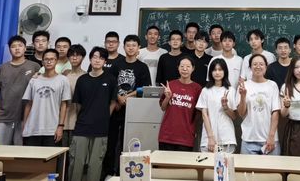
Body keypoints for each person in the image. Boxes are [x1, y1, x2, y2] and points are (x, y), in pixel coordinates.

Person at [102, 35, 152, 178]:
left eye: (134, 45)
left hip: (133, 110)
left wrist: (128, 97)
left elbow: (144, 88)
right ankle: (109, 172)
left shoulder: (142, 67)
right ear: (123, 47)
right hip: (116, 108)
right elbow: (111, 83)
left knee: (128, 142)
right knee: (111, 142)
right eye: (128, 45)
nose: (131, 48)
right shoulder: (117, 64)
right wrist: (118, 97)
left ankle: (123, 172)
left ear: (139, 48)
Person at [69, 46, 118, 181]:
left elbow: (113, 102)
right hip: (82, 127)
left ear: (105, 62)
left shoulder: (110, 79)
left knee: (95, 164)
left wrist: (104, 117)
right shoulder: (82, 79)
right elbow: (78, 105)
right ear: (90, 59)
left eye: (101, 58)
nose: (97, 60)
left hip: (101, 128)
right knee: (76, 163)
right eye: (95, 57)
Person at [0, 35, 40, 145]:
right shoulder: (1, 68)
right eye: (13, 46)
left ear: (25, 48)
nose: (17, 48)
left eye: (20, 46)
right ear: (9, 49)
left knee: (20, 152)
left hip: (26, 117)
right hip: (3, 116)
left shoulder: (34, 67)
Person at [22, 48, 71, 146]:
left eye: (52, 59)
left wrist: (60, 126)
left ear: (56, 61)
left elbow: (64, 105)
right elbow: (29, 104)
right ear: (42, 61)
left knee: (51, 156)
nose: (49, 61)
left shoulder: (63, 80)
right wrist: (24, 125)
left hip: (52, 130)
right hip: (32, 129)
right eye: (46, 59)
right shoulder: (34, 80)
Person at [237, 54, 280, 155]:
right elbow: (241, 113)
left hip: (269, 140)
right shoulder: (244, 86)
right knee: (246, 166)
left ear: (266, 67)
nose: (258, 66)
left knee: (273, 166)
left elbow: (275, 112)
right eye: (255, 64)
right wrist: (243, 96)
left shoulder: (272, 85)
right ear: (250, 67)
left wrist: (271, 136)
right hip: (249, 139)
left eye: (261, 64)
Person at [158, 55, 203, 151]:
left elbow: (199, 114)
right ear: (178, 68)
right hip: (167, 136)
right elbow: (163, 107)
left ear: (193, 68)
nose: (184, 69)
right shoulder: (171, 85)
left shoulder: (197, 88)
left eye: (188, 66)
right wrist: (167, 97)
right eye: (182, 66)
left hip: (186, 137)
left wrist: (194, 130)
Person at [196, 58, 238, 153]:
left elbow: (234, 116)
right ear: (210, 72)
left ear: (225, 71)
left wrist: (225, 107)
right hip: (208, 139)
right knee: (208, 162)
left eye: (220, 69)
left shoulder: (230, 90)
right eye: (214, 70)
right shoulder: (205, 90)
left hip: (226, 137)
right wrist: (210, 137)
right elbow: (204, 115)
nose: (217, 72)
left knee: (224, 162)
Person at [63, 44, 87, 148]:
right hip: (63, 121)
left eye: (78, 55)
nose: (74, 58)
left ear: (83, 57)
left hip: (79, 121)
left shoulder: (86, 76)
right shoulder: (64, 76)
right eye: (72, 55)